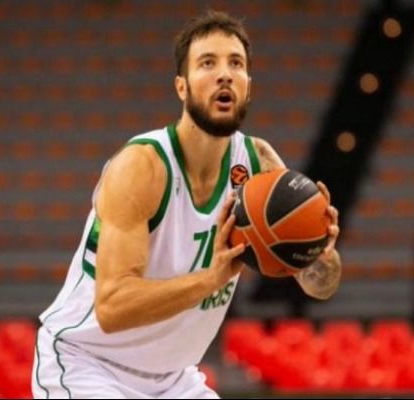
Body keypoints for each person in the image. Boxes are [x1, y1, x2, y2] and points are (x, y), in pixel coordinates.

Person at [32, 10, 342, 399]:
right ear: (182, 87)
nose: (224, 74)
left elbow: (319, 285)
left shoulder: (259, 164)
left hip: (174, 380)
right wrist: (210, 279)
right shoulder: (142, 167)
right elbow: (112, 308)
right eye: (207, 63)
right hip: (88, 365)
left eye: (236, 63)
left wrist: (318, 250)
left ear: (248, 86)